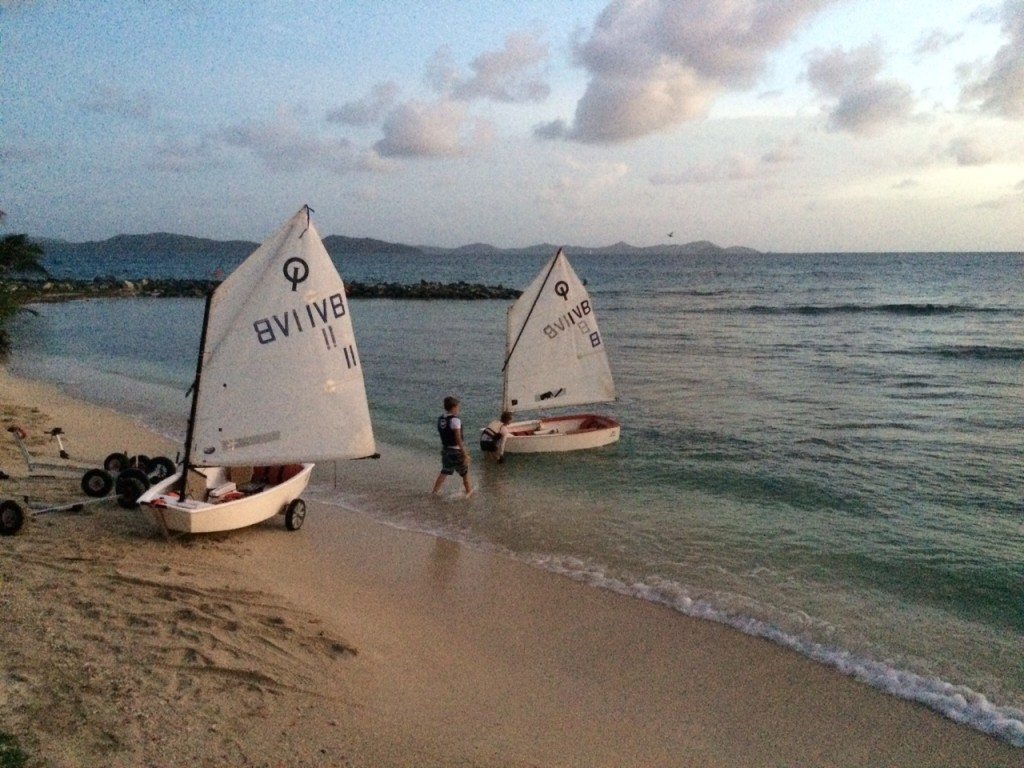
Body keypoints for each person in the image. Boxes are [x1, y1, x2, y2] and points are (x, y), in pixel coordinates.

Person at [432, 395, 473, 496]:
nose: (459, 409)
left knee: (444, 472)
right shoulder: (455, 420)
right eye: (458, 407)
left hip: (446, 450)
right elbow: (458, 438)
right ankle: (469, 493)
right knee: (465, 473)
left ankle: (434, 492)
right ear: (453, 407)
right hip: (456, 451)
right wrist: (465, 453)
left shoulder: (441, 419)